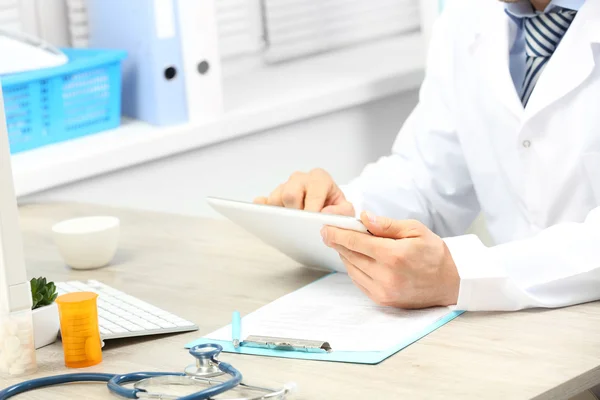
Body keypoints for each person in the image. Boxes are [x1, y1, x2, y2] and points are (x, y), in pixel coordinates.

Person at [254, 0, 599, 312]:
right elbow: (427, 181)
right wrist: (347, 213)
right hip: (515, 329)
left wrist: (460, 273)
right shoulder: (467, 17)